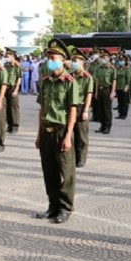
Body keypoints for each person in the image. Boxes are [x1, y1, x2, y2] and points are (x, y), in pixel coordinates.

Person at [34, 38, 80, 224]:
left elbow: (72, 111)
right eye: (48, 57)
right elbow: (42, 108)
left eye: (54, 57)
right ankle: (52, 205)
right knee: (49, 170)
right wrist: (38, 134)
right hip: (46, 130)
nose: (50, 61)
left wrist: (68, 136)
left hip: (62, 131)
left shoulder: (70, 82)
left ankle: (65, 207)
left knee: (66, 171)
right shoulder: (46, 82)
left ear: (63, 60)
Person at [70, 48, 94, 168]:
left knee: (82, 134)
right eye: (73, 60)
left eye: (76, 60)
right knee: (71, 133)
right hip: (71, 107)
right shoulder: (70, 76)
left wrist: (85, 110)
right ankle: (73, 157)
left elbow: (88, 94)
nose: (74, 62)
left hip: (81, 106)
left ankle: (82, 158)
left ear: (82, 62)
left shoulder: (87, 77)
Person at [93, 49, 117, 134]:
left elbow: (114, 81)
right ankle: (102, 125)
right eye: (102, 57)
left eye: (105, 57)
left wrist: (112, 92)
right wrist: (96, 92)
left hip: (107, 90)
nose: (103, 59)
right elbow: (97, 81)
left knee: (107, 109)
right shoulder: (99, 68)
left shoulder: (112, 69)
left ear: (109, 58)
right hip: (100, 89)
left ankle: (107, 126)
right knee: (100, 109)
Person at [4, 48, 22, 134]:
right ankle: (9, 125)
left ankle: (15, 125)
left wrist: (16, 90)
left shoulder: (17, 66)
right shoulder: (6, 65)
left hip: (13, 87)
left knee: (13, 107)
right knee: (7, 107)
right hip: (6, 87)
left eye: (8, 56)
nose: (6, 57)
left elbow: (19, 78)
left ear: (12, 56)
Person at [115, 54, 131, 119]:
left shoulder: (127, 69)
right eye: (120, 60)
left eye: (122, 60)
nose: (121, 61)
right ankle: (120, 113)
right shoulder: (118, 69)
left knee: (125, 101)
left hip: (124, 86)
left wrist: (127, 85)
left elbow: (128, 77)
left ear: (125, 61)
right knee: (119, 101)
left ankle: (124, 114)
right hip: (118, 86)